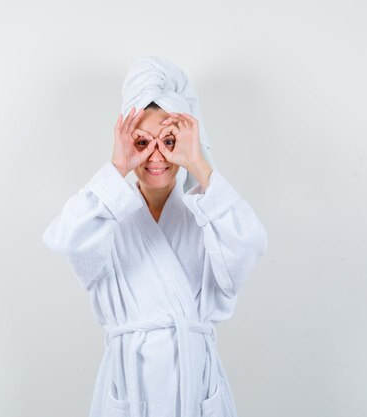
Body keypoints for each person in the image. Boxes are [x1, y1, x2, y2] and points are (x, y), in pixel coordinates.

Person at [42, 56, 268, 417]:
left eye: (169, 140)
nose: (155, 155)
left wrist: (200, 165)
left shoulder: (207, 214)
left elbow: (249, 244)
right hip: (130, 388)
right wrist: (117, 168)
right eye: (142, 141)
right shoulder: (106, 216)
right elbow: (66, 239)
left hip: (197, 387)